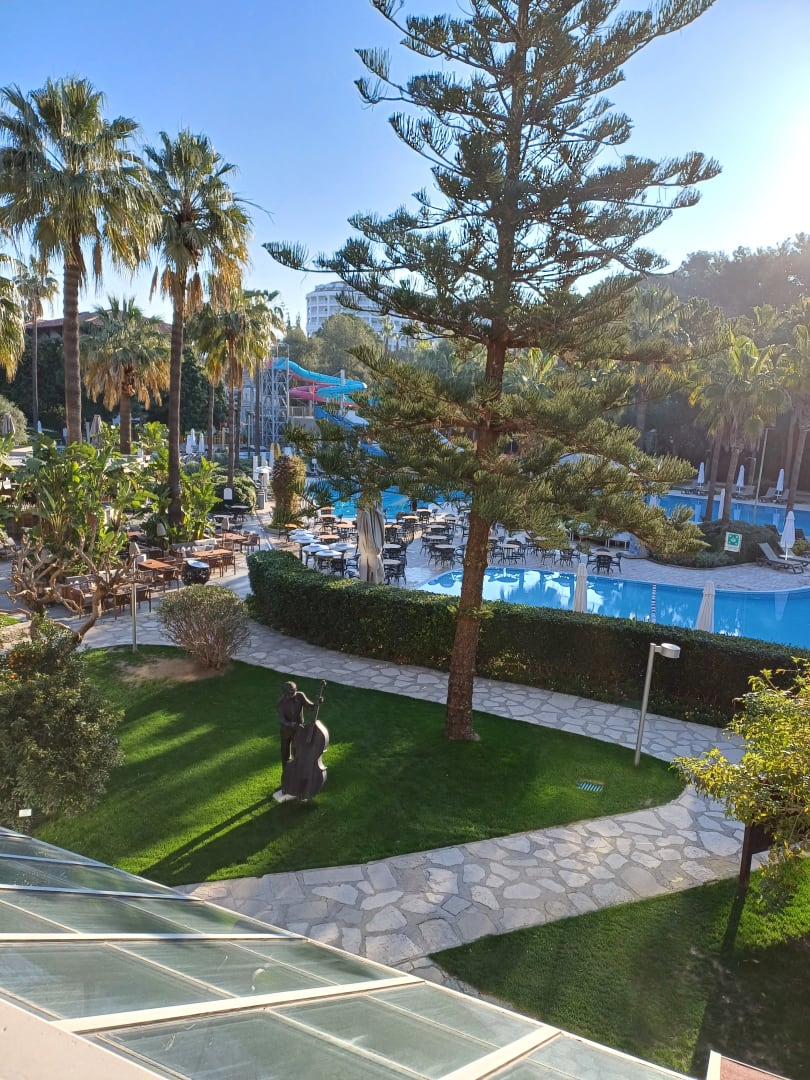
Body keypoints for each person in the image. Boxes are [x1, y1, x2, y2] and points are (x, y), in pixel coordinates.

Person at [277, 681, 317, 765]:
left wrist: (317, 703)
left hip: (298, 729)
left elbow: (310, 707)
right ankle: (286, 770)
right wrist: (290, 724)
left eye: (294, 691)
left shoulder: (300, 696)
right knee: (285, 752)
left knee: (297, 751)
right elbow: (281, 719)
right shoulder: (281, 702)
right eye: (290, 693)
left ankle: (298, 769)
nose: (293, 694)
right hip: (286, 731)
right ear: (285, 693)